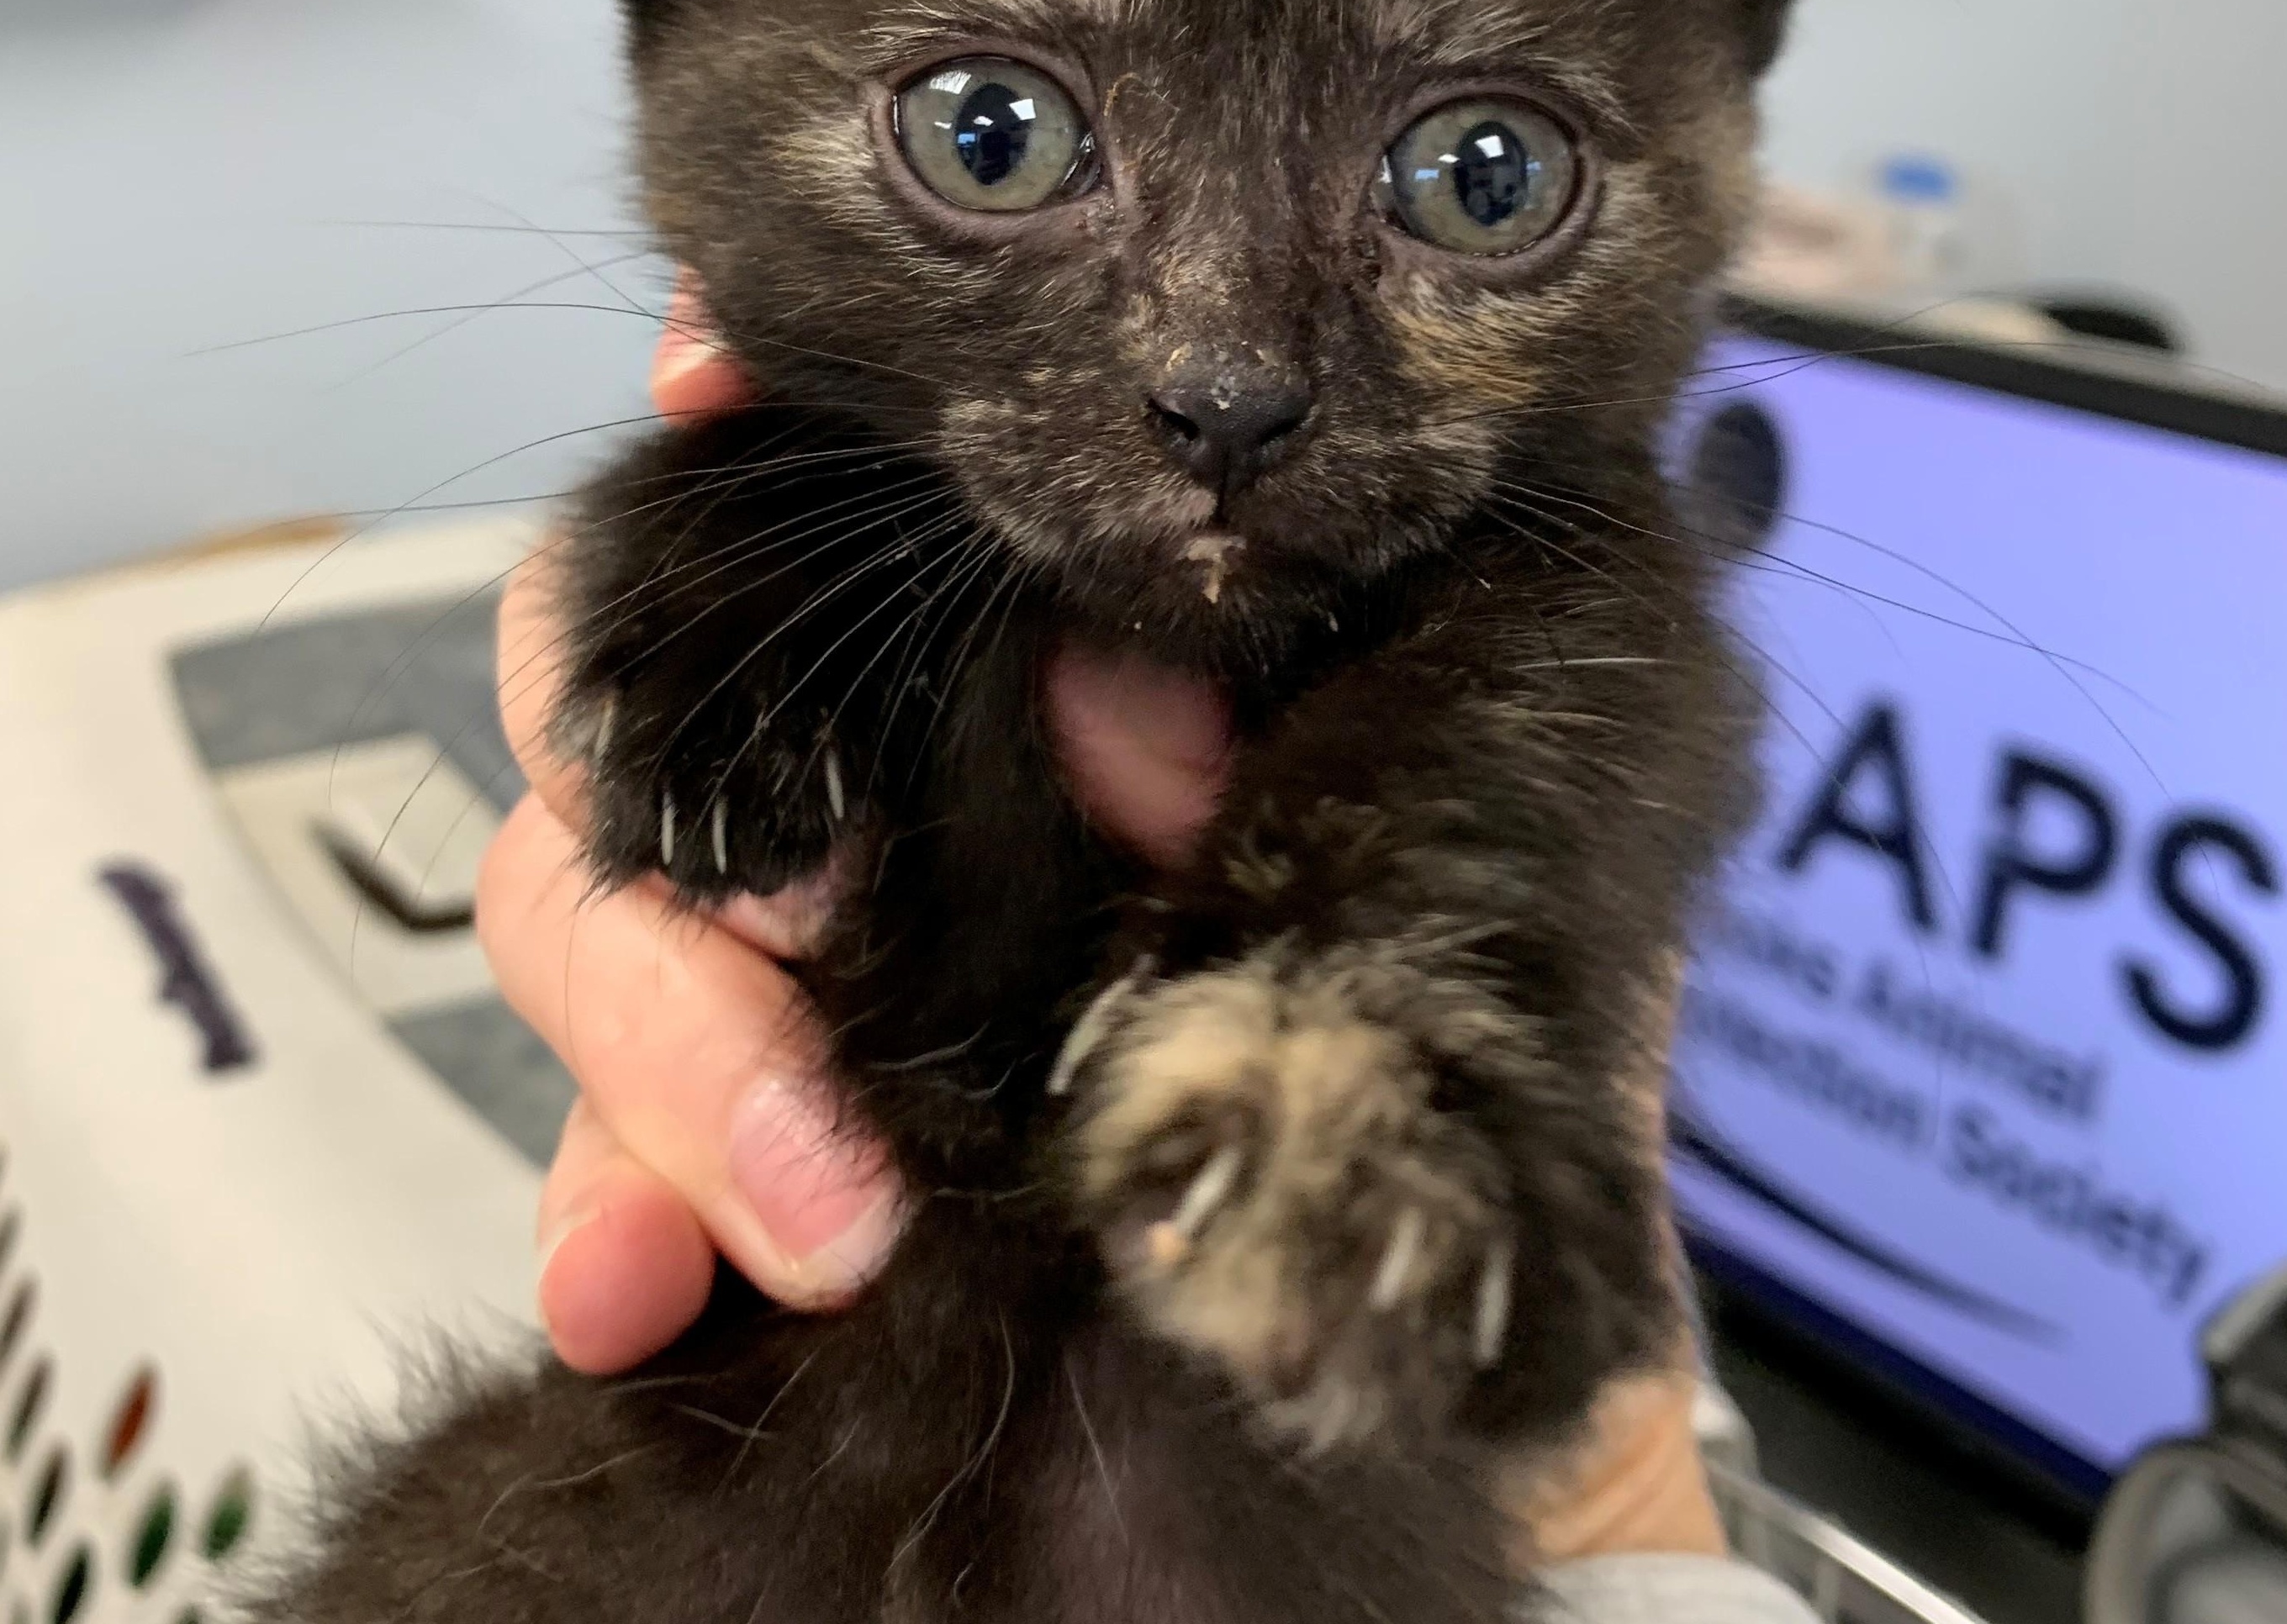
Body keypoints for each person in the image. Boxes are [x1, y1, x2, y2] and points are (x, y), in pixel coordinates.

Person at [474, 275, 1818, 1622]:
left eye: (1475, 179)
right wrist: (721, 525)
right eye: (992, 137)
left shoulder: (1559, 575)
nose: (1224, 370)